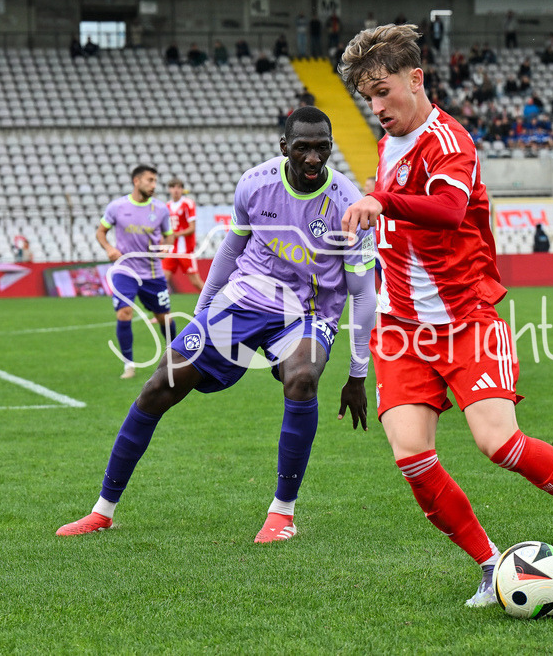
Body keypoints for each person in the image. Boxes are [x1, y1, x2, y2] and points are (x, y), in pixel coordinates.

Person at [337, 24, 553, 608]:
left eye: (382, 92)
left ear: (415, 79)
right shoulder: (388, 141)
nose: (376, 107)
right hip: (400, 328)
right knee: (412, 457)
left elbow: (449, 210)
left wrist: (381, 201)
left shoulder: (448, 141)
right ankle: (488, 566)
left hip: (465, 320)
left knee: (498, 443)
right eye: (367, 97)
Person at [56, 106, 378, 542]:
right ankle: (103, 510)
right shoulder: (255, 184)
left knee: (301, 377)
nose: (312, 158)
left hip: (308, 313)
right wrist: (203, 312)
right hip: (244, 300)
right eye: (302, 148)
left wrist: (357, 374)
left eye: (322, 148)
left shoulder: (348, 204)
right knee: (161, 384)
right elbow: (230, 250)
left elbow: (363, 292)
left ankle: (282, 513)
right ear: (284, 146)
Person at [96, 165, 177, 379]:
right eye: (150, 180)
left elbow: (169, 235)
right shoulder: (117, 207)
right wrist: (109, 248)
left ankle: (175, 358)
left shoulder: (160, 209)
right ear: (136, 181)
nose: (154, 185)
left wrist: (166, 248)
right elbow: (101, 232)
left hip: (152, 273)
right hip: (125, 271)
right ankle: (129, 365)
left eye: (155, 181)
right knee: (124, 312)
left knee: (164, 318)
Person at [162, 177, 205, 293]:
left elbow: (192, 228)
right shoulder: (167, 206)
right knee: (163, 280)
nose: (176, 190)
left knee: (196, 282)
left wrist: (176, 234)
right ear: (169, 190)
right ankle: (160, 303)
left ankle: (212, 300)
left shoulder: (188, 204)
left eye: (178, 187)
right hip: (171, 249)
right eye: (173, 187)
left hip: (185, 250)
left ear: (182, 189)